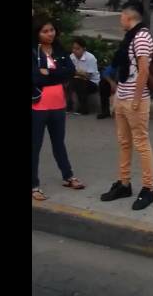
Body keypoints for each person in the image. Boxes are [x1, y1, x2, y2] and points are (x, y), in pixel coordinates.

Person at [100, 2, 153, 210]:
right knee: (124, 142)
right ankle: (124, 183)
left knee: (141, 143)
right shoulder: (129, 37)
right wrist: (118, 97)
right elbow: (125, 68)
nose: (120, 19)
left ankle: (148, 189)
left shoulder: (141, 37)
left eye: (121, 15)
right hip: (123, 97)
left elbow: (143, 71)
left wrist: (135, 98)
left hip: (136, 100)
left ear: (128, 16)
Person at [32, 20, 86, 201]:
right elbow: (35, 78)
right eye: (45, 31)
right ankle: (34, 185)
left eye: (52, 30)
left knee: (59, 143)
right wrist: (54, 75)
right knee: (35, 146)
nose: (50, 34)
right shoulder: (34, 52)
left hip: (58, 105)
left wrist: (49, 73)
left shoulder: (60, 51)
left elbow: (69, 71)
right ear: (37, 33)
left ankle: (68, 176)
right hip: (38, 106)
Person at [67, 37, 102, 116]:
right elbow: (69, 72)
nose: (74, 51)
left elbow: (88, 76)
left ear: (84, 49)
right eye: (73, 48)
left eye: (77, 48)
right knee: (72, 82)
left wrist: (75, 73)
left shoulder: (90, 58)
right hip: (77, 80)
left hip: (92, 83)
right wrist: (77, 73)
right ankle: (70, 106)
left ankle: (83, 108)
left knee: (78, 82)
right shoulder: (71, 57)